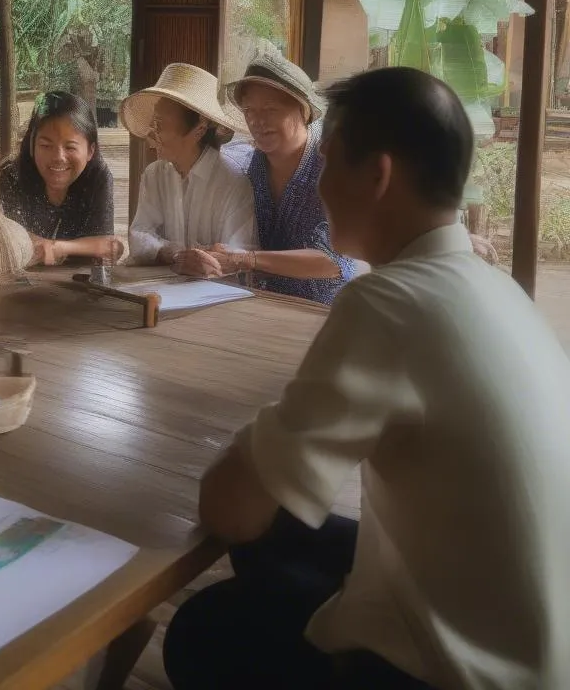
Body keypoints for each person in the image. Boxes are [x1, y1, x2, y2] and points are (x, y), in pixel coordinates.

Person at [164, 67, 570, 690]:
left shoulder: (387, 301)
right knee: (272, 538)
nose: (320, 185)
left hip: (458, 673)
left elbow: (227, 506)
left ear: (377, 175)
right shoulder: (500, 290)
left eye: (327, 163)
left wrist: (258, 443)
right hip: (535, 641)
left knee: (202, 630)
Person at [215, 53, 355, 303]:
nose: (257, 121)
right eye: (249, 110)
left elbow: (332, 261)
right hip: (261, 305)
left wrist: (245, 259)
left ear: (302, 110)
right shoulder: (252, 165)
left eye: (270, 109)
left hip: (322, 312)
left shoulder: (332, 166)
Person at [122, 63, 254, 277]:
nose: (151, 135)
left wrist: (214, 260)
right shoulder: (154, 174)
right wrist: (173, 253)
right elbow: (139, 235)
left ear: (199, 129)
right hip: (161, 291)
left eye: (159, 125)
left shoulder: (233, 182)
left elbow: (240, 253)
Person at [0, 91, 121, 265]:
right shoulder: (11, 176)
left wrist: (57, 248)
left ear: (90, 151)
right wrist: (82, 247)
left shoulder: (98, 177)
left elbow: (107, 246)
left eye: (70, 147)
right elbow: (10, 241)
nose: (58, 157)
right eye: (46, 145)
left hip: (80, 284)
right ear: (32, 146)